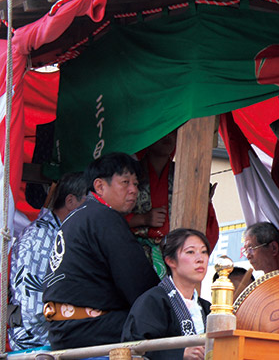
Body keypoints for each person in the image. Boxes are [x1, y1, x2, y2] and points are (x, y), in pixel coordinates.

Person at [43, 152, 160, 349]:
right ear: (99, 186)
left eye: (136, 184)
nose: (133, 190)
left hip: (63, 328)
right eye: (125, 182)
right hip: (90, 327)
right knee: (162, 323)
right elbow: (137, 282)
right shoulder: (103, 217)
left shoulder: (77, 217)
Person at [8, 172, 87, 350]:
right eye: (89, 205)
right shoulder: (41, 237)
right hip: (36, 343)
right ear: (71, 202)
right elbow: (33, 312)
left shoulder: (55, 232)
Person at [127, 131, 219, 277]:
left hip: (174, 259)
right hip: (133, 256)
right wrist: (143, 219)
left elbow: (206, 226)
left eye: (173, 133)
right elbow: (110, 217)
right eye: (163, 131)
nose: (168, 137)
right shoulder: (129, 175)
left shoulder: (188, 176)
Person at [122, 228, 211, 360]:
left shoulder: (206, 307)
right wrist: (181, 354)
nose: (200, 259)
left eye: (204, 252)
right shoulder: (153, 301)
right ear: (171, 261)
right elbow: (133, 348)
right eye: (190, 252)